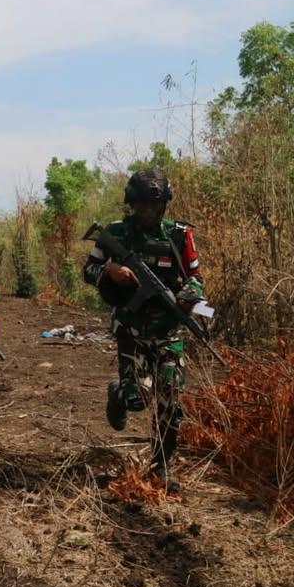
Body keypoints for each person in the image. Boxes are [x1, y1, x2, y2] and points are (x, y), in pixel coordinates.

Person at [82, 168, 204, 493]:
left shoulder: (179, 236)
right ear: (132, 205)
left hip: (168, 331)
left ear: (164, 205)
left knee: (170, 399)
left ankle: (161, 466)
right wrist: (110, 270)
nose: (148, 212)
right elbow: (88, 269)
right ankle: (119, 393)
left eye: (155, 206)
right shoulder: (115, 233)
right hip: (131, 329)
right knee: (137, 398)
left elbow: (196, 278)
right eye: (142, 206)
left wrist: (188, 295)